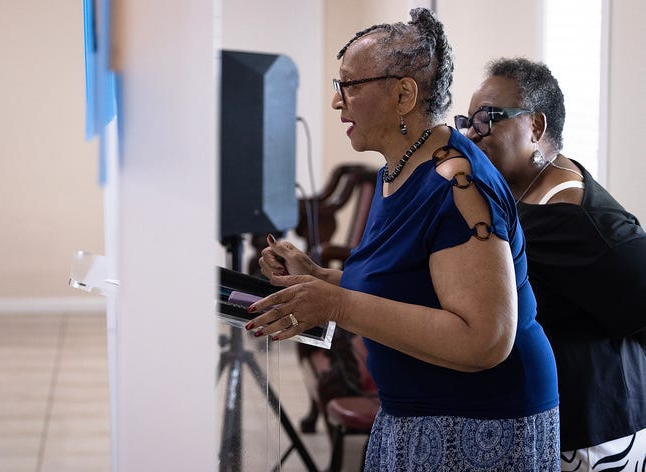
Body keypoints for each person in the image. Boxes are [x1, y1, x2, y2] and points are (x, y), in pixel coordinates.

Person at [244, 9, 560, 471]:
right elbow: (411, 286)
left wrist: (335, 304)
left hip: (480, 423)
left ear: (403, 94)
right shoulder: (400, 166)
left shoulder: (458, 185)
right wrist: (320, 278)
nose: (338, 102)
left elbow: (486, 339)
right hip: (416, 414)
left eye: (349, 85)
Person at [456, 57, 646, 471]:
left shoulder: (576, 217)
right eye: (466, 122)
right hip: (546, 420)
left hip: (593, 434)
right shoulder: (524, 196)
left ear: (536, 127)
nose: (472, 134)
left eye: (487, 119)